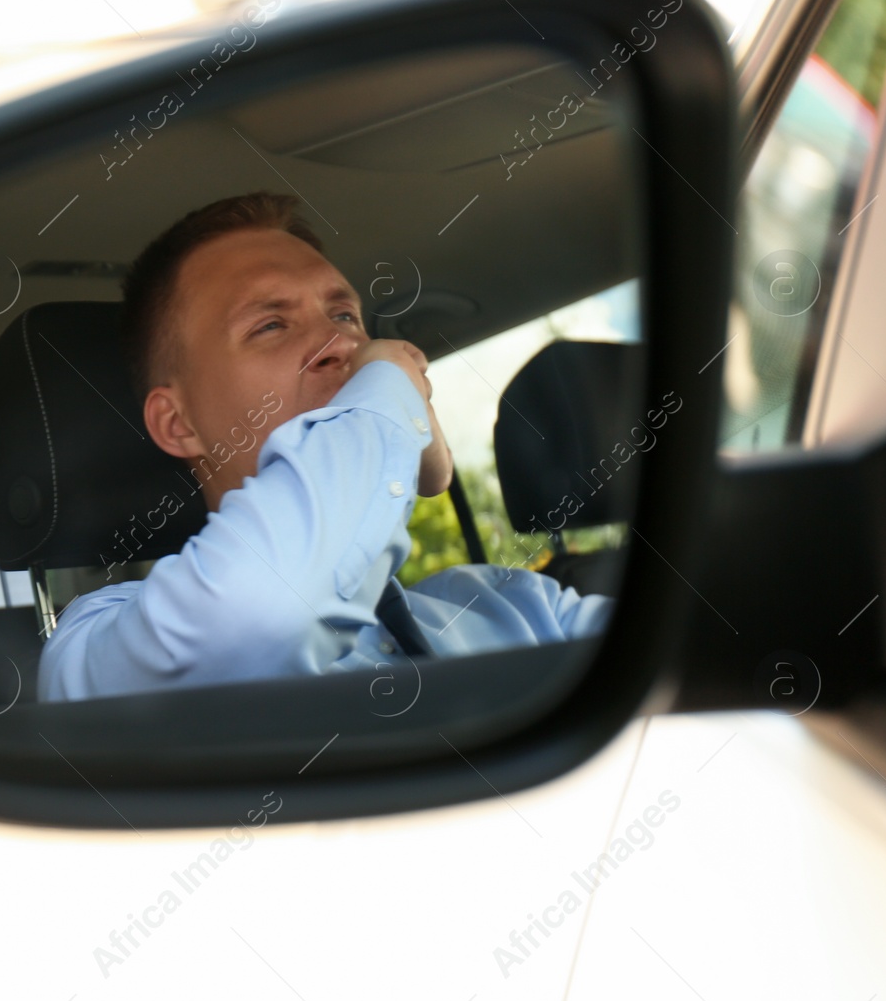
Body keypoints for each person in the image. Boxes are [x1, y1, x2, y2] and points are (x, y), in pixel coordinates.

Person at [38, 191, 612, 703]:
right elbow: (269, 615)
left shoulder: (515, 605)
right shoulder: (96, 649)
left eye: (343, 314)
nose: (344, 344)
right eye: (270, 326)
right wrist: (388, 392)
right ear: (177, 423)